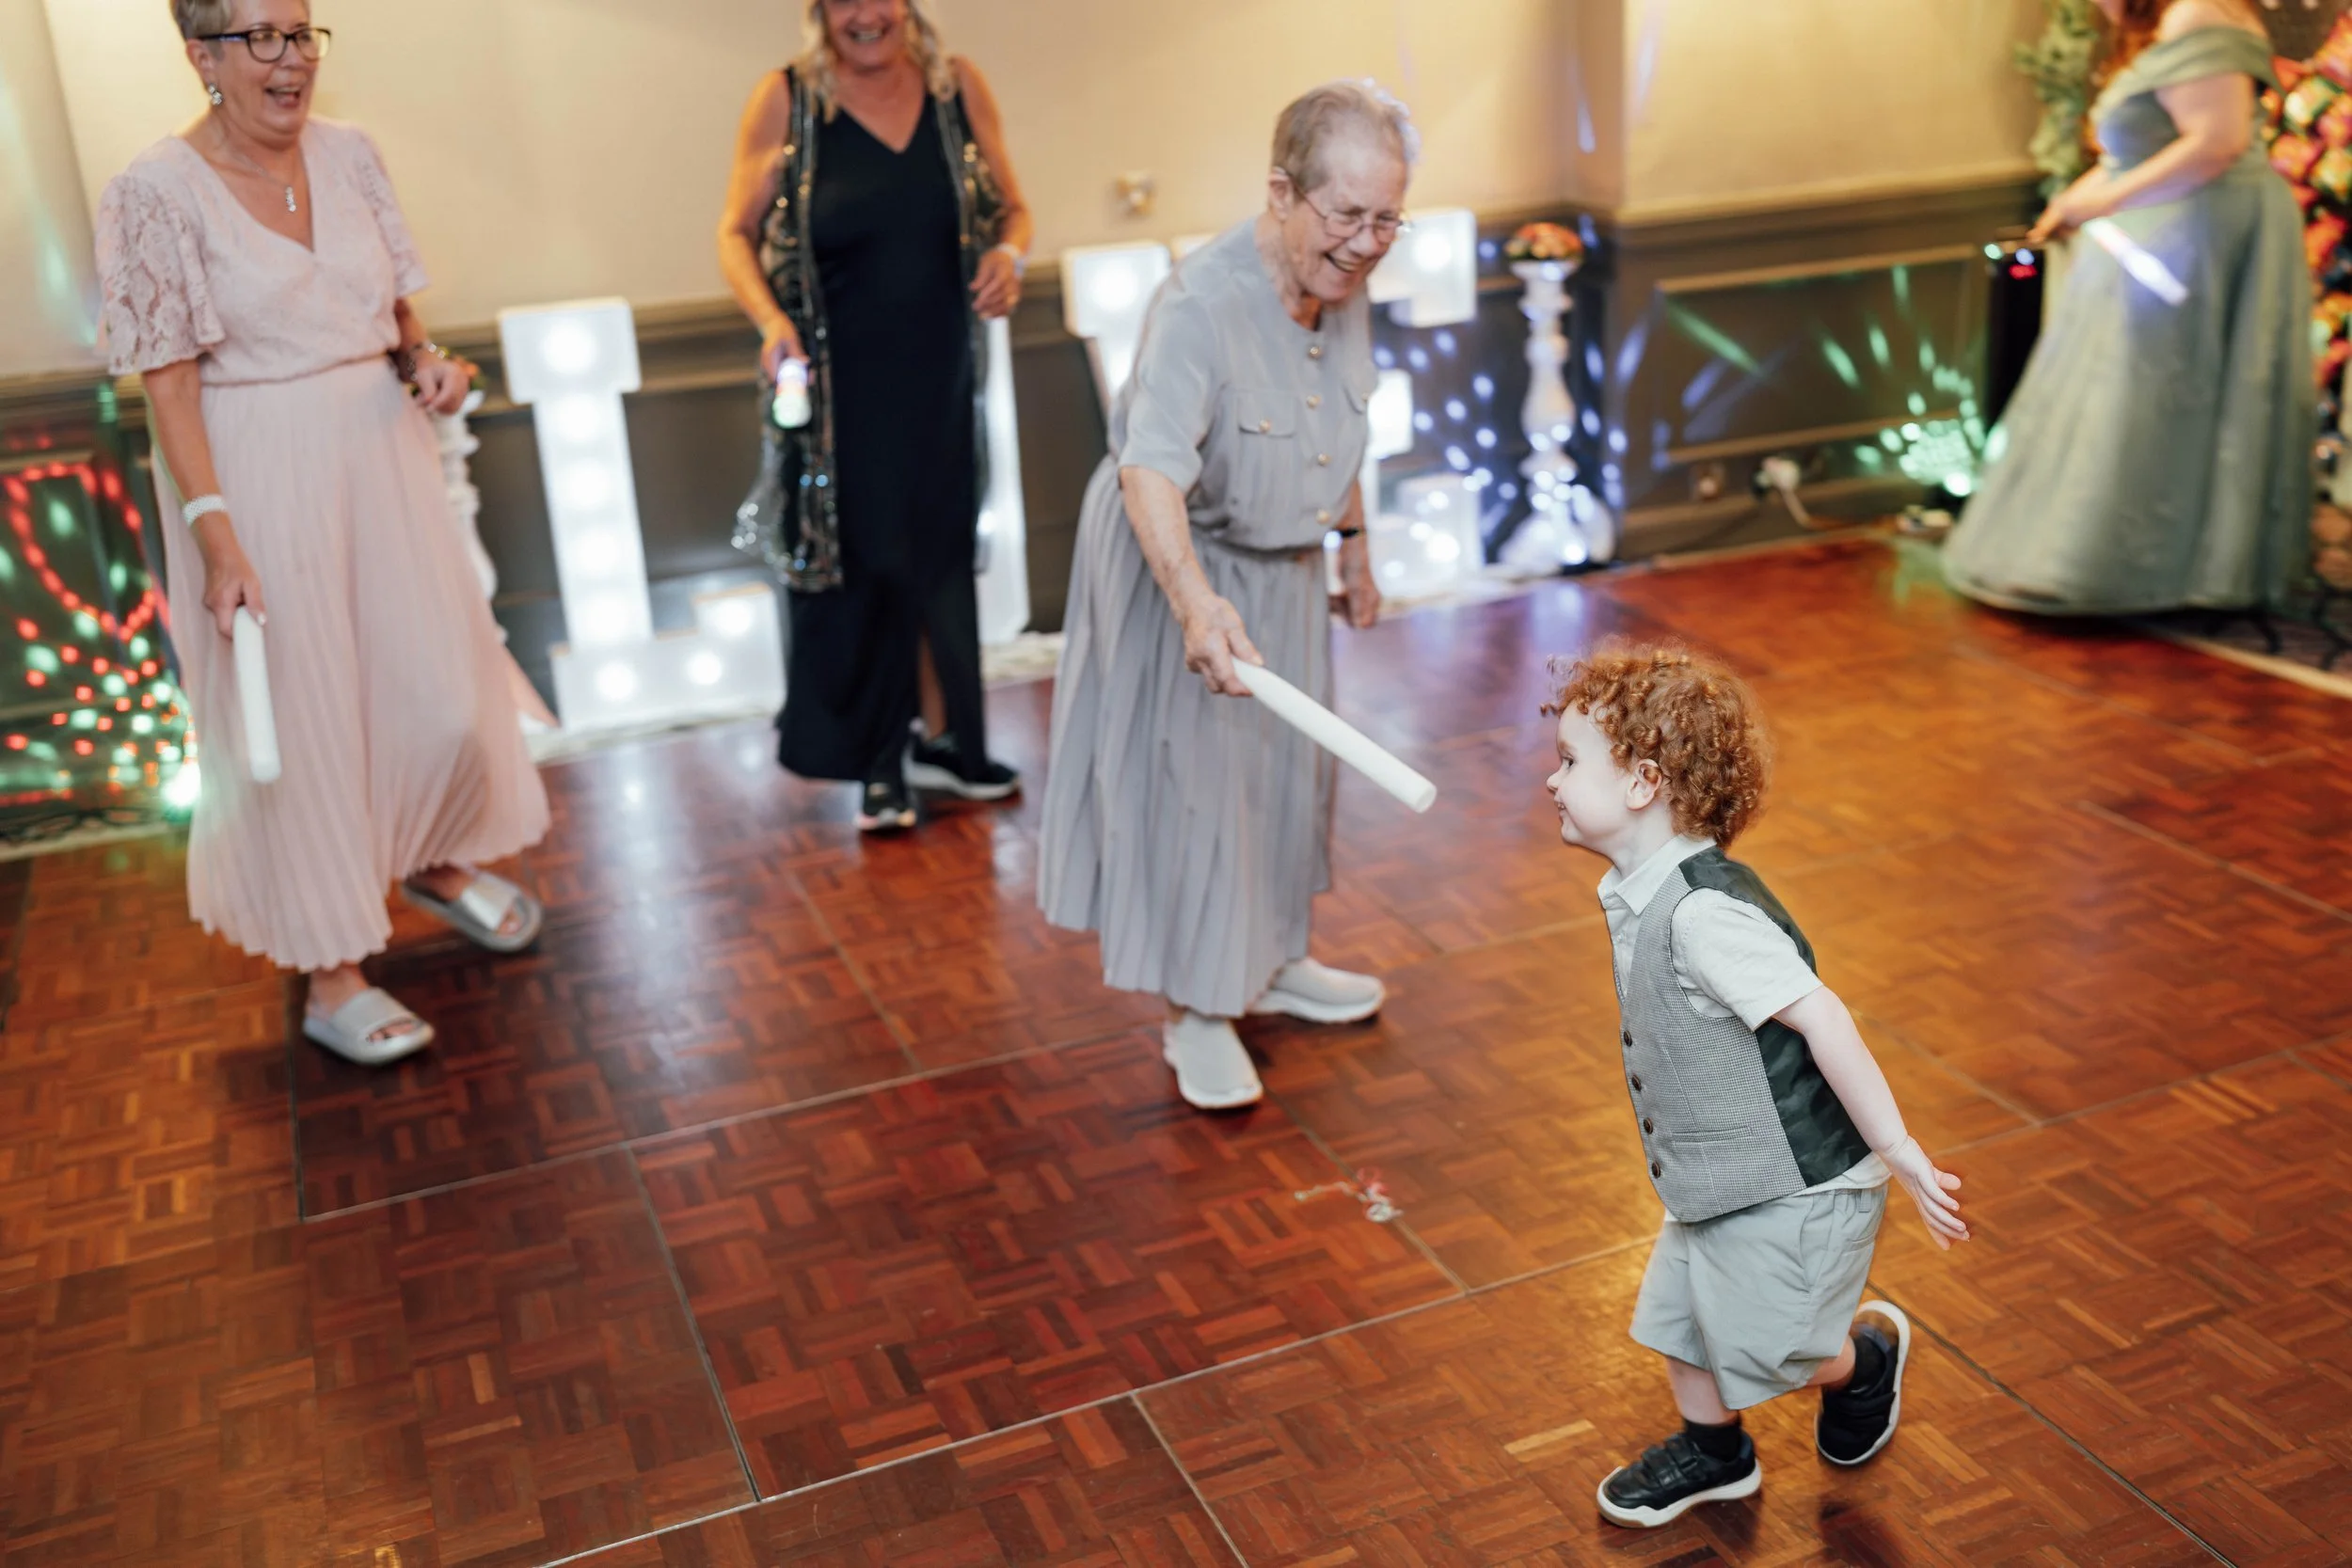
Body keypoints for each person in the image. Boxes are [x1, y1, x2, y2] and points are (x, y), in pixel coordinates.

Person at [95, 0, 550, 1066]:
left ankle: (431, 859)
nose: (290, 58)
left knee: (435, 696)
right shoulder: (153, 190)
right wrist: (217, 540)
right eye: (262, 37)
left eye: (301, 33)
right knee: (306, 730)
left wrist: (425, 363)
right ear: (202, 55)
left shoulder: (353, 154)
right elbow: (169, 388)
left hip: (383, 458)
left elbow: (393, 310)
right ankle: (332, 967)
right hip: (256, 475)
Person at [1538, 644, 1969, 1528]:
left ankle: (1861, 1364)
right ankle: (1716, 1451)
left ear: (1643, 783)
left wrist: (1897, 1148)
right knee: (1680, 1321)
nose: (1552, 780)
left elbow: (1824, 1017)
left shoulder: (1704, 914)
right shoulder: (1642, 889)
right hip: (1718, 1179)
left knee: (1776, 1347)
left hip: (1795, 1186)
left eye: (1571, 761)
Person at [1038, 82, 1402, 1112]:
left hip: (1286, 562)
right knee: (1198, 789)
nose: (1366, 244)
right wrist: (1196, 605)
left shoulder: (1338, 275)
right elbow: (1149, 467)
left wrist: (1354, 546)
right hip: (1185, 563)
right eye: (1347, 215)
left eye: (1387, 220)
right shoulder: (1199, 304)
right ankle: (1196, 1009)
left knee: (1283, 777)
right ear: (1282, 192)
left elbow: (1335, 421)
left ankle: (1270, 960)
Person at [719, 0, 1030, 833]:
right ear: (819, 12)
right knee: (870, 564)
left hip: (942, 381)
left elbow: (1014, 210)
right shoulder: (788, 100)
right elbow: (734, 233)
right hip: (836, 394)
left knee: (940, 560)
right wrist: (772, 324)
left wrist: (1009, 255)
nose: (866, 15)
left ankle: (951, 743)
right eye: (844, 0)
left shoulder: (957, 89)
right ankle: (881, 763)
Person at [1944, 0, 2311, 614]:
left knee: (2156, 391)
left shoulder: (2198, 13)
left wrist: (2101, 202)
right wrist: (2075, 200)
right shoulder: (2176, 21)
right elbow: (2138, 153)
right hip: (2163, 234)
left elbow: (2217, 142)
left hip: (2197, 240)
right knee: (2135, 392)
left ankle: (2128, 563)